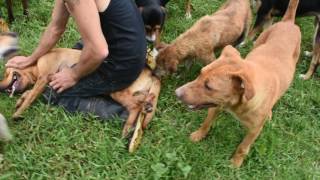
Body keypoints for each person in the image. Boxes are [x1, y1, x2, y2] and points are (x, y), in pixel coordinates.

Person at [5, 0, 147, 119]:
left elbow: (99, 51)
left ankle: (125, 113)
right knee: (81, 46)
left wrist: (74, 75)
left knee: (54, 92)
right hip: (130, 48)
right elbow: (55, 28)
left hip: (122, 64)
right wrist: (32, 58)